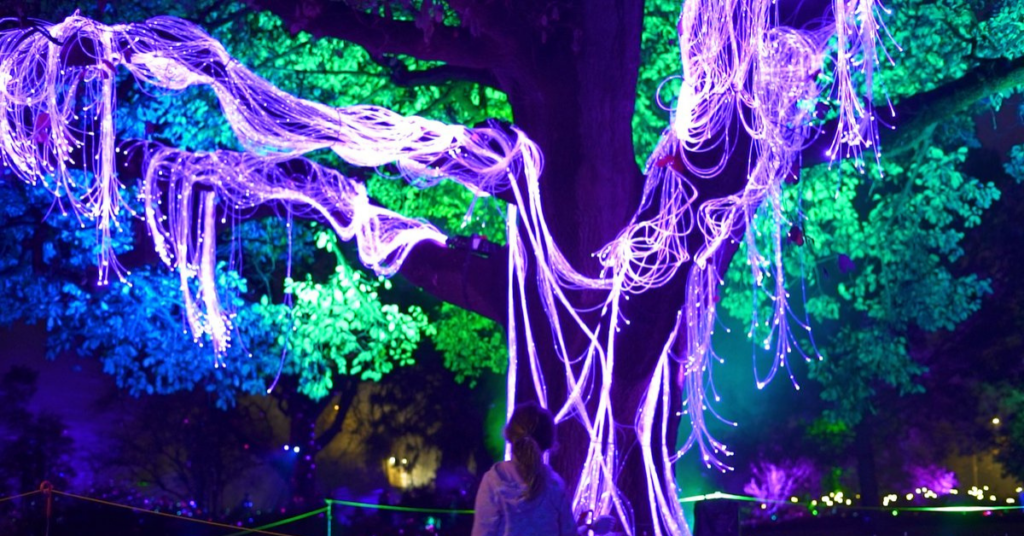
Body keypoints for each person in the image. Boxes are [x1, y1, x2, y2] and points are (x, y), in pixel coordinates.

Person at [471, 403, 577, 536]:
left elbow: (482, 532)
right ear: (549, 441)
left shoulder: (493, 480)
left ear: (510, 434)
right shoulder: (554, 484)